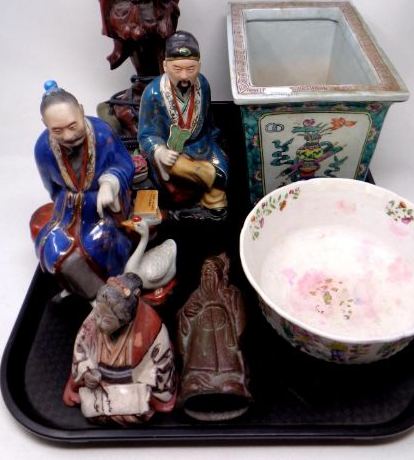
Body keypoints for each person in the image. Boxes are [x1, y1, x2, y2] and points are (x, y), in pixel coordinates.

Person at [30, 81, 135, 300]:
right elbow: (53, 189)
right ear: (45, 124)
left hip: (105, 203)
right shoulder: (42, 148)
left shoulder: (102, 133)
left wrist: (109, 184)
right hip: (68, 208)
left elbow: (125, 164)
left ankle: (114, 287)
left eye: (73, 126)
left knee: (99, 242)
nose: (68, 136)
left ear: (81, 110)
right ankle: (89, 292)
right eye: (57, 130)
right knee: (54, 249)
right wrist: (71, 205)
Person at [62, 273, 177, 424]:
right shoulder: (94, 320)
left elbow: (160, 365)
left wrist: (145, 387)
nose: (99, 323)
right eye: (98, 314)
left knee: (135, 413)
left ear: (125, 321)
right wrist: (87, 372)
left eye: (108, 320)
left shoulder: (151, 327)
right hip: (100, 383)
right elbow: (82, 348)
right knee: (93, 410)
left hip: (134, 386)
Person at [137, 31, 228, 220]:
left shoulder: (203, 85)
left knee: (222, 171)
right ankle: (210, 191)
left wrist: (215, 141)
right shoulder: (153, 93)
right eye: (177, 69)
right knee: (183, 170)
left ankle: (212, 197)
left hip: (202, 145)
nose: (184, 76)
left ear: (199, 66)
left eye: (191, 69)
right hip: (172, 151)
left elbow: (208, 120)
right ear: (165, 66)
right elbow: (145, 134)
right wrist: (159, 151)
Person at [176, 254, 251, 420]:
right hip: (200, 348)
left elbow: (240, 321)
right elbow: (182, 318)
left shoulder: (231, 294)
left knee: (230, 380)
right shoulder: (196, 295)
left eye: (212, 269)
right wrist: (186, 314)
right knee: (194, 382)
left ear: (221, 274)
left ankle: (231, 380)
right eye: (205, 270)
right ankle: (195, 382)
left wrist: (230, 308)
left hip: (226, 347)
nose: (208, 273)